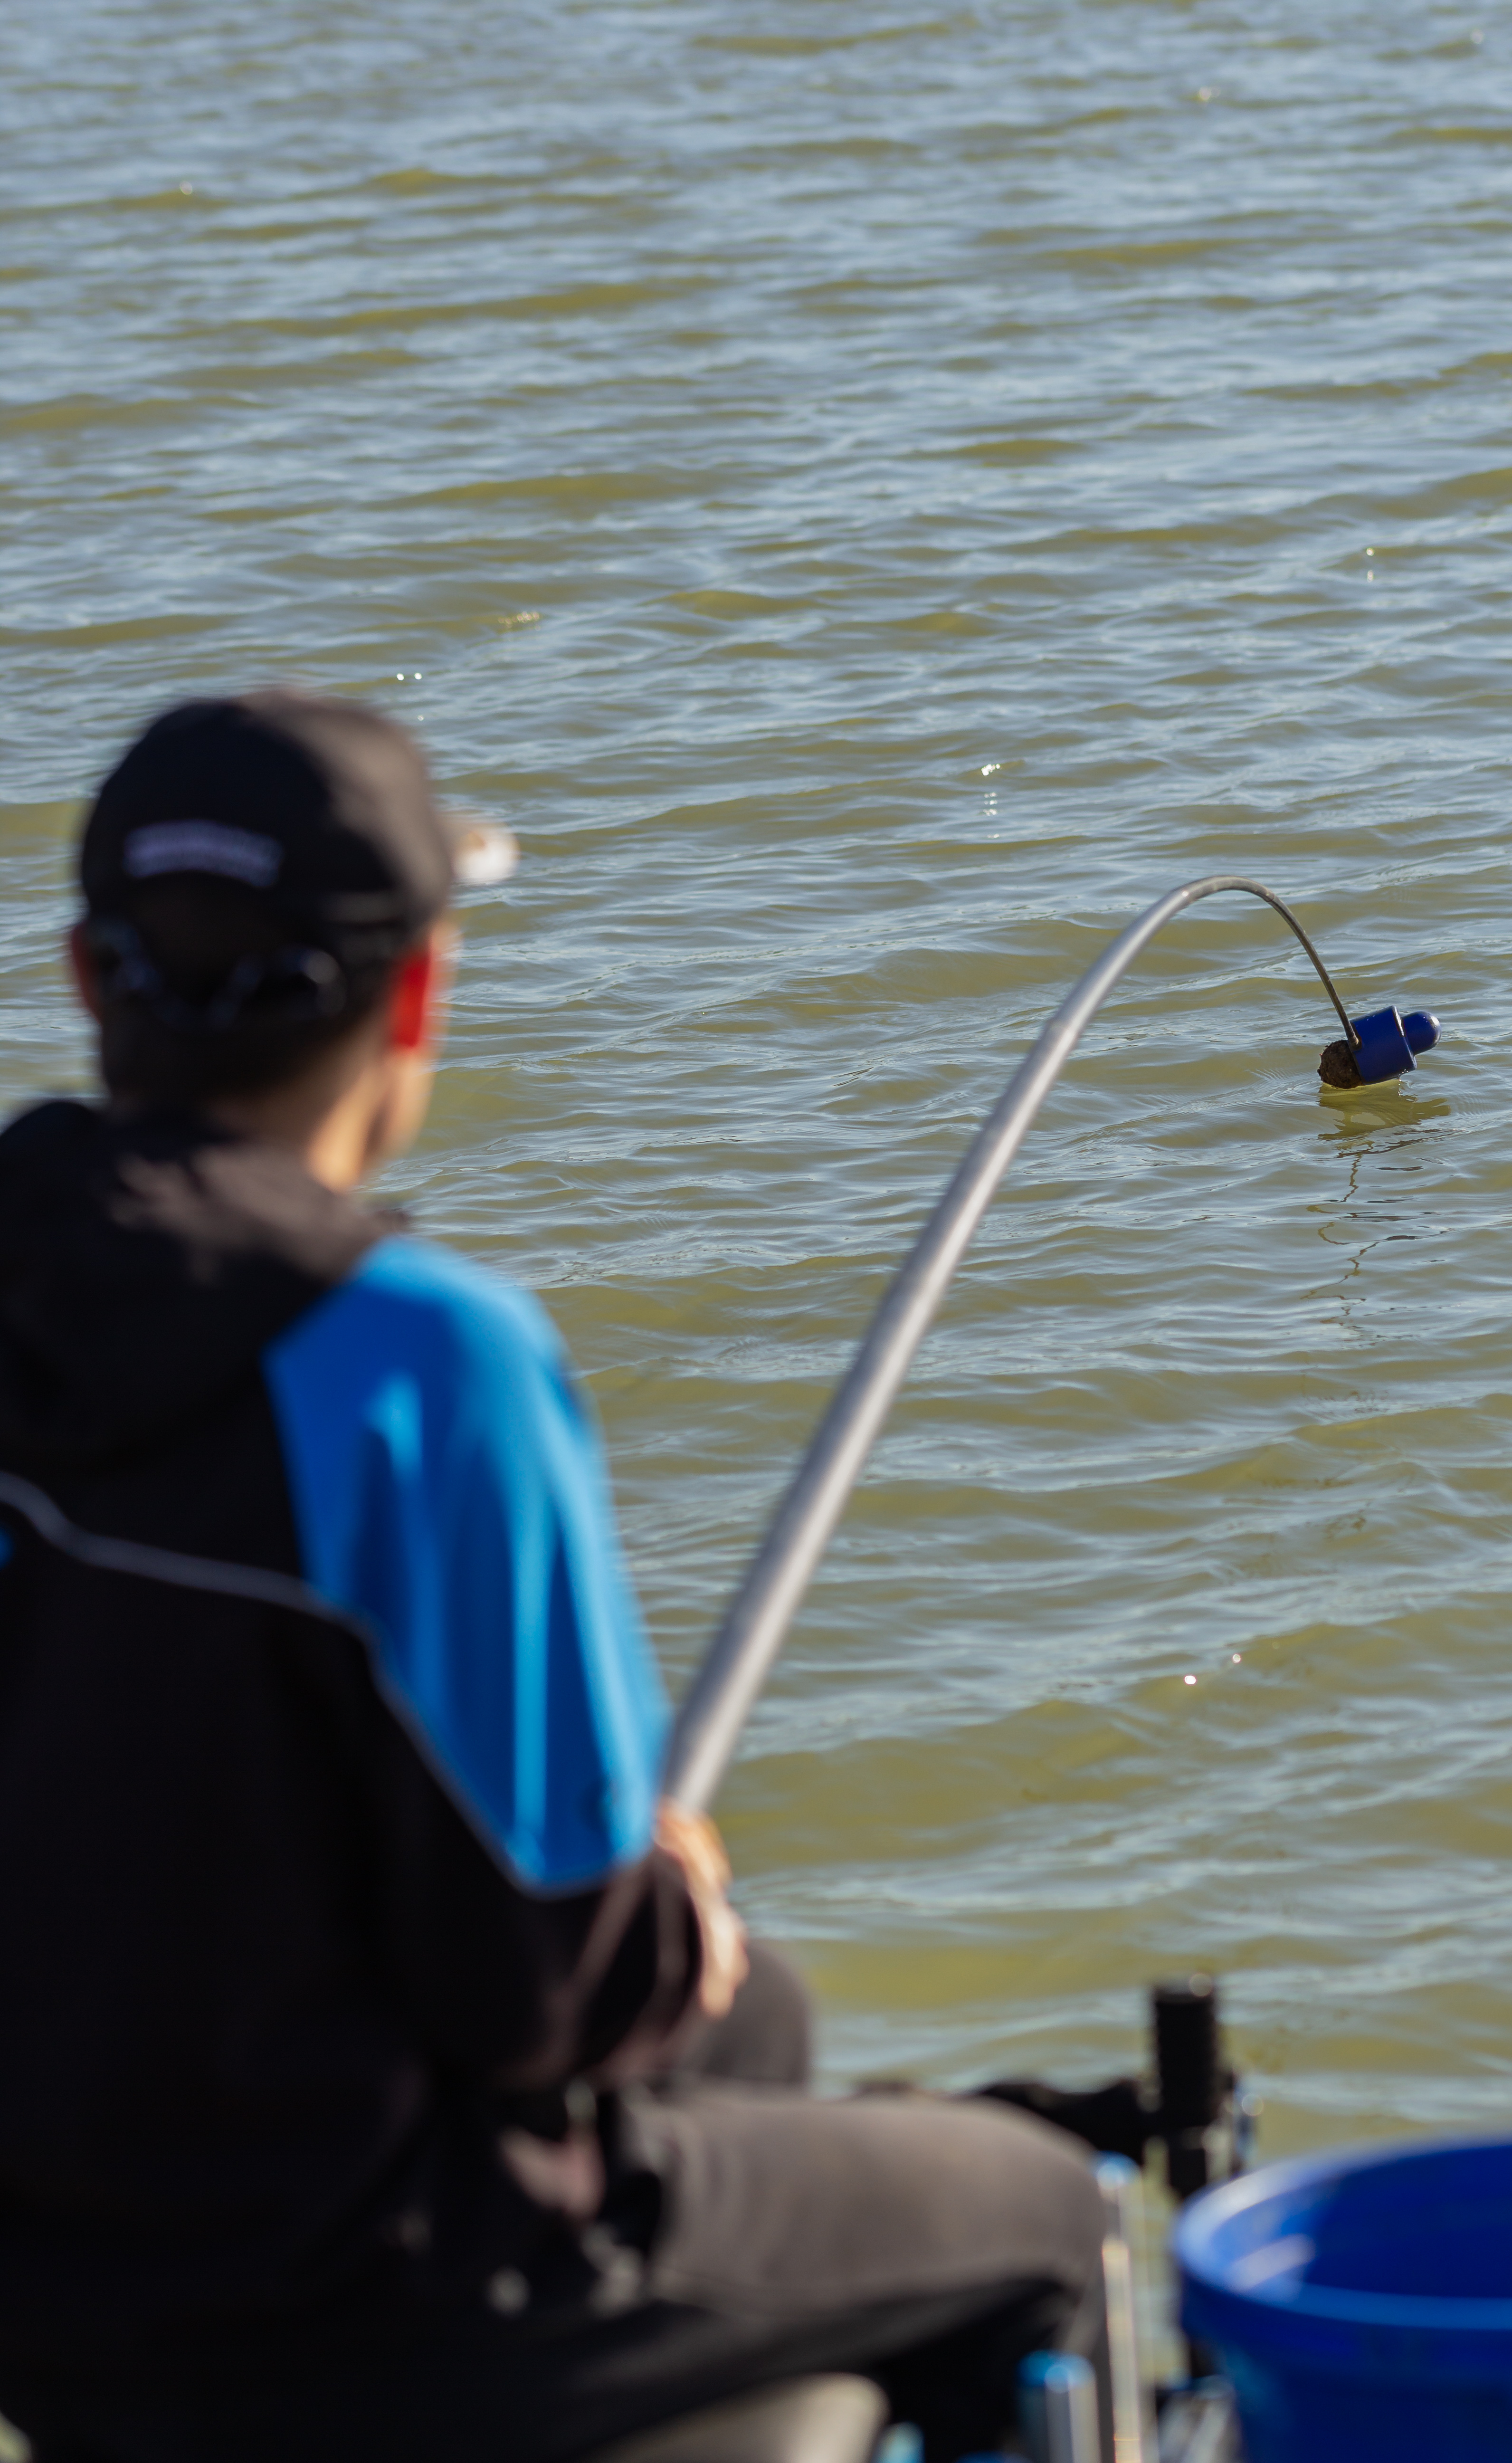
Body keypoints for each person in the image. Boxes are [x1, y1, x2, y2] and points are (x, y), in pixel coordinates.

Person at [0, 694, 1113, 2463]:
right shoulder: (418, 1361)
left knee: (773, 2024)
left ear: (86, 977)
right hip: (351, 2299)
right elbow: (558, 1989)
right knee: (1055, 2217)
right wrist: (666, 1897)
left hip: (50, 2296)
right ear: (418, 997)